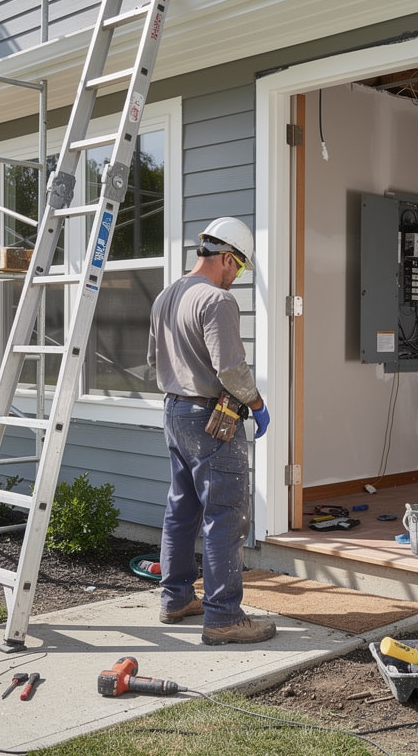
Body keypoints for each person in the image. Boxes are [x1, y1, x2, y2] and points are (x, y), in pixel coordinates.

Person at [146, 216, 276, 645]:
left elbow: (153, 359)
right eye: (237, 268)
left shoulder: (167, 296)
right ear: (225, 257)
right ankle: (223, 617)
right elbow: (231, 368)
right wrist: (256, 404)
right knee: (225, 514)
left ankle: (176, 598)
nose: (236, 277)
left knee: (181, 509)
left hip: (174, 413)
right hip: (209, 420)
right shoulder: (215, 300)